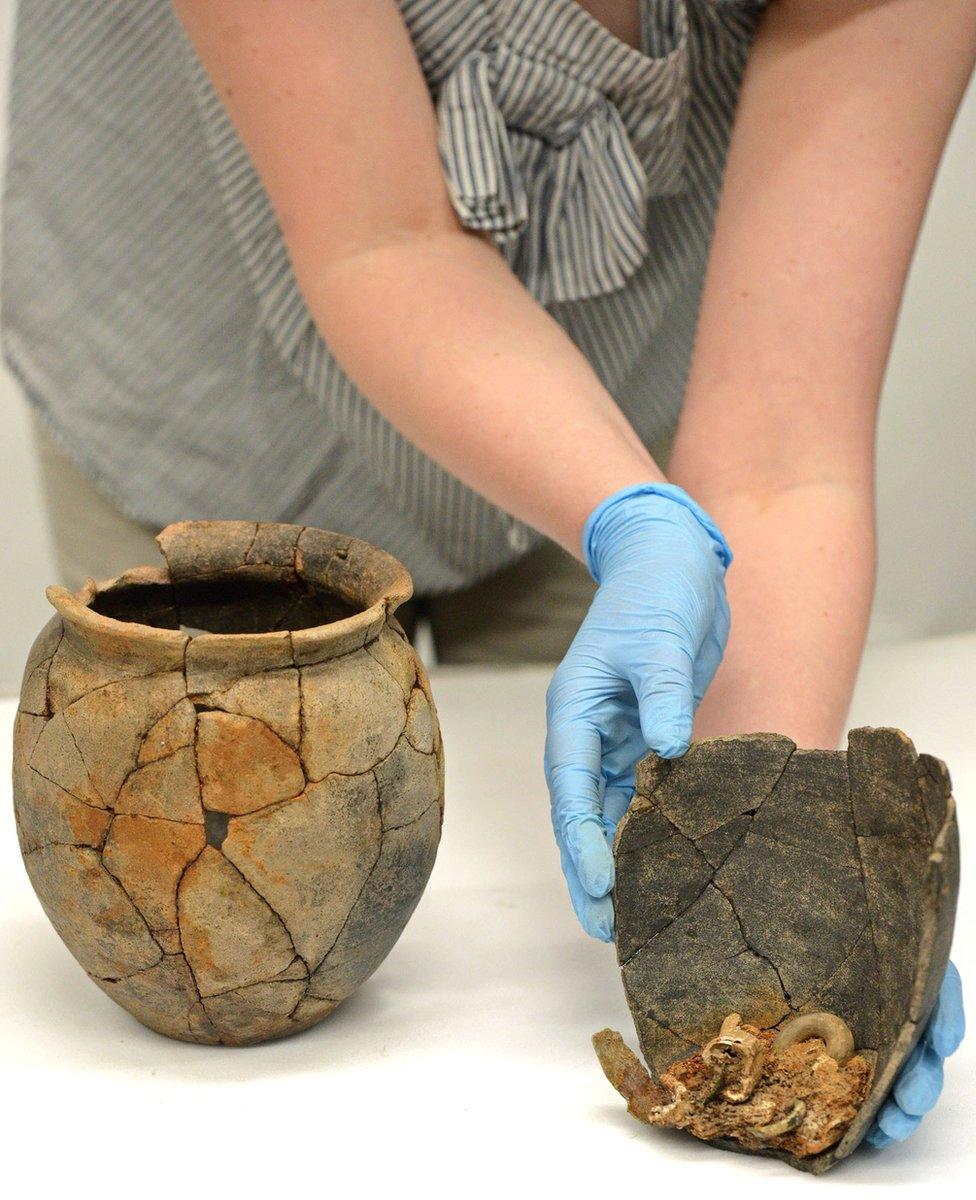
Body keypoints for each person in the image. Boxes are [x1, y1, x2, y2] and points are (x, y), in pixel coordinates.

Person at [3, 0, 968, 1147]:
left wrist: (769, 870)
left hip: (603, 398)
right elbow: (383, 237)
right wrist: (628, 517)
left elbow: (779, 459)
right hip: (207, 374)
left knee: (621, 781)